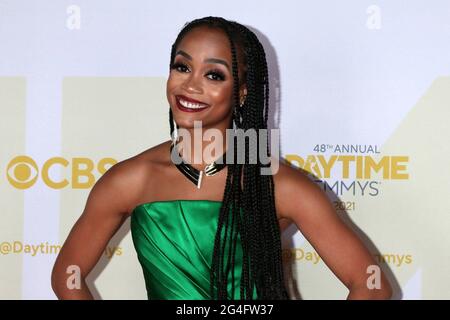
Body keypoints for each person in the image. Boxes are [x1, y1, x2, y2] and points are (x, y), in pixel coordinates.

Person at [51, 16, 392, 300]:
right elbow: (68, 276)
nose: (191, 86)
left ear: (242, 91)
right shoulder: (131, 179)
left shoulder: (275, 182)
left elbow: (371, 284)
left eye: (214, 75)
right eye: (182, 67)